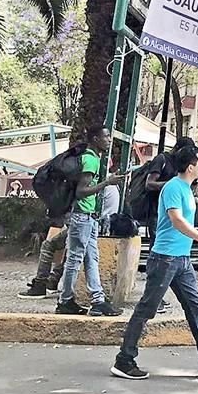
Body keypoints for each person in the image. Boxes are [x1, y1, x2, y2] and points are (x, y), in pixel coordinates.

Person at [111, 144, 198, 380]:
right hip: (165, 258)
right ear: (190, 167)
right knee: (147, 309)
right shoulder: (172, 188)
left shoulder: (186, 189)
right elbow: (177, 220)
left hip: (181, 260)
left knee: (195, 306)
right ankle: (124, 360)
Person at [56, 126, 124, 317]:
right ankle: (65, 300)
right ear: (95, 139)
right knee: (75, 259)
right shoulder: (90, 160)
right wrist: (107, 183)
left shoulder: (92, 158)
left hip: (89, 217)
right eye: (105, 136)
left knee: (91, 258)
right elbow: (81, 191)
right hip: (82, 216)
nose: (109, 140)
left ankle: (98, 300)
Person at [18, 215, 68, 299]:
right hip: (89, 224)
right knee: (72, 252)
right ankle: (53, 279)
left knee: (48, 246)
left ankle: (40, 283)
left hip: (80, 223)